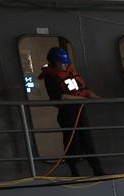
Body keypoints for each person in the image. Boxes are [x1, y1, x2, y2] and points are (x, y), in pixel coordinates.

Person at [37, 46, 105, 176]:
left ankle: (98, 170)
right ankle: (74, 172)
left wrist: (99, 99)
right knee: (71, 143)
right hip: (67, 114)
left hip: (80, 112)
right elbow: (60, 96)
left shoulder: (71, 72)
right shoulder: (50, 77)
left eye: (65, 63)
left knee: (88, 141)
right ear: (54, 63)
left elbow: (85, 90)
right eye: (60, 63)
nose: (63, 65)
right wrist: (81, 98)